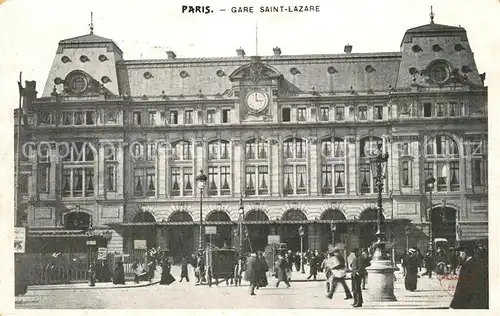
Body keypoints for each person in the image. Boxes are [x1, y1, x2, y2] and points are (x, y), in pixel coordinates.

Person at [450, 245, 488, 309]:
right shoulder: (472, 263)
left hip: (470, 302)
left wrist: (454, 305)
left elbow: (463, 287)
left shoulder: (469, 266)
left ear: (465, 252)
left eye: (460, 253)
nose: (459, 256)